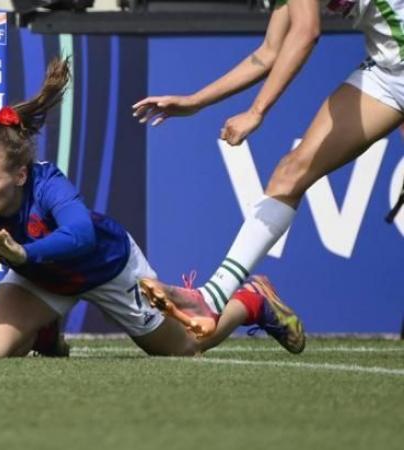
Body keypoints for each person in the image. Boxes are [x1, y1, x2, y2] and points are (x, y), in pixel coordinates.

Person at [0, 58, 305, 359]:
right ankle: (48, 330)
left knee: (187, 348)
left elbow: (82, 238)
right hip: (40, 279)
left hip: (107, 270)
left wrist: (23, 257)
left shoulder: (50, 186)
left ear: (20, 175)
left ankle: (252, 301)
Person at [132, 0, 403, 319]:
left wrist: (256, 111)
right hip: (388, 71)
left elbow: (306, 32)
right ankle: (213, 297)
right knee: (291, 174)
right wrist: (196, 101)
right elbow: (270, 51)